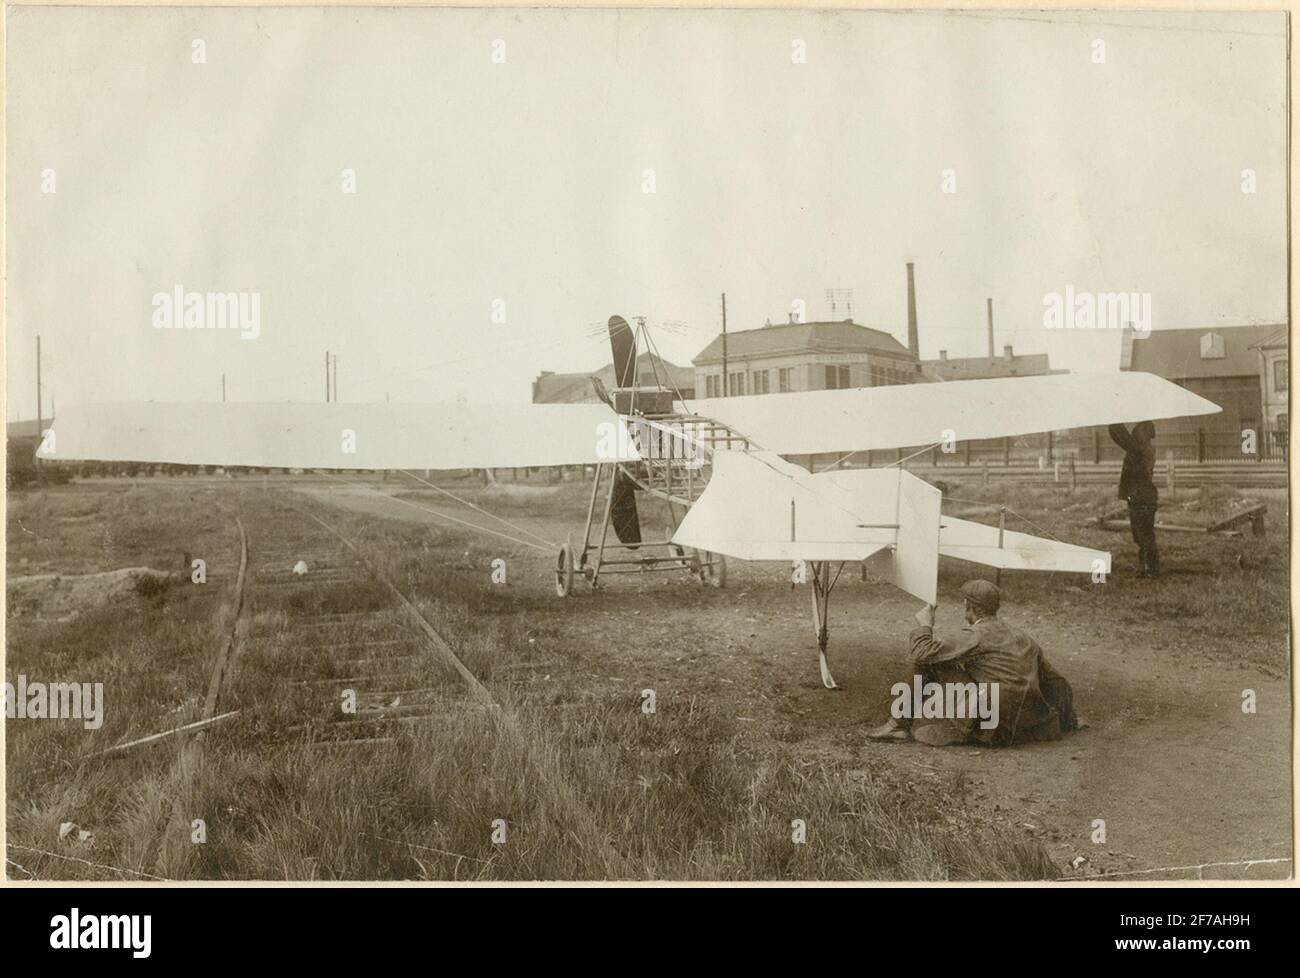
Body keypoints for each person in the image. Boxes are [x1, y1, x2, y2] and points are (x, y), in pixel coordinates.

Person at [868, 580, 1079, 747]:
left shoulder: (975, 634)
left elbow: (921, 653)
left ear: (968, 605)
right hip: (1023, 728)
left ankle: (898, 724)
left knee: (928, 661)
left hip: (991, 727)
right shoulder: (1022, 636)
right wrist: (1068, 720)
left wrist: (925, 626)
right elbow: (1057, 682)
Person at [1108, 421, 1159, 577]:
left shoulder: (1139, 450)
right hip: (1141, 497)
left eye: (1138, 431)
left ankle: (1150, 569)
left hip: (1142, 497)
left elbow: (1121, 436)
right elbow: (1123, 438)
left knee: (1144, 535)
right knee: (1140, 535)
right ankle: (1146, 567)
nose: (1135, 433)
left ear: (1145, 434)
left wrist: (1112, 420)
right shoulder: (1141, 448)